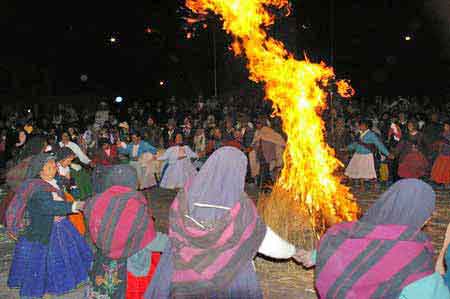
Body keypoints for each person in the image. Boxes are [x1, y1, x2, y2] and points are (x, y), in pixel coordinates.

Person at [145, 146, 305, 299]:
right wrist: (293, 251)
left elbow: (174, 230)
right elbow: (264, 239)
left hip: (183, 275)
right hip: (229, 277)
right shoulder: (240, 206)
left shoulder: (185, 195)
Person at [296, 179, 450, 299]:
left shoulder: (348, 232)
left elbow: (343, 249)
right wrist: (445, 248)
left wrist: (314, 256)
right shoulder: (414, 258)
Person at [6, 153, 92, 298]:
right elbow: (48, 206)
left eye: (54, 166)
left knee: (65, 255)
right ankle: (46, 288)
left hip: (61, 226)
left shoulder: (53, 181)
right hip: (45, 230)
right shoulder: (37, 188)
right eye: (49, 167)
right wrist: (75, 205)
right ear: (40, 170)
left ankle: (60, 282)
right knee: (44, 262)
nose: (54, 170)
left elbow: (62, 193)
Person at [85, 165, 167, 299]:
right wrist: (172, 242)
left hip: (103, 259)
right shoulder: (136, 207)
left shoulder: (95, 202)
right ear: (133, 182)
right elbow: (149, 240)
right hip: (131, 264)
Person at [344, 119, 392, 190]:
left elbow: (379, 144)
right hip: (357, 154)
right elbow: (356, 143)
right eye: (360, 125)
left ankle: (366, 186)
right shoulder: (359, 133)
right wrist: (347, 148)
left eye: (362, 125)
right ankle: (359, 185)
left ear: (367, 126)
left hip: (366, 155)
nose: (360, 126)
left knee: (364, 171)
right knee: (355, 170)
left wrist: (387, 154)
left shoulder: (371, 134)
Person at [431, 119, 450, 189]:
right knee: (440, 169)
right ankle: (441, 181)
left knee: (447, 169)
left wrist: (445, 141)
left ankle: (446, 182)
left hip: (448, 154)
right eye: (445, 126)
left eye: (447, 126)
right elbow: (439, 143)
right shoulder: (442, 133)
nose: (445, 127)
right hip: (442, 154)